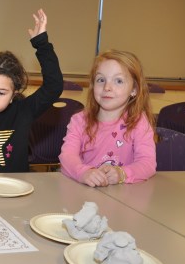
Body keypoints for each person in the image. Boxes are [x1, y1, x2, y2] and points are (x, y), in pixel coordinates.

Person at [0, 9, 63, 175]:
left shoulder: (22, 112)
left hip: (15, 194)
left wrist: (41, 44)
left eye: (1, 93)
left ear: (12, 96)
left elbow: (54, 86)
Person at [59, 50, 156, 187]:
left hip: (125, 197)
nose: (107, 87)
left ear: (134, 89)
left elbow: (148, 163)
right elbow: (67, 157)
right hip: (85, 194)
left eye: (118, 81)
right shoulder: (79, 121)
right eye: (101, 80)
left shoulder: (139, 121)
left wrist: (122, 173)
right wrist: (83, 173)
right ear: (93, 86)